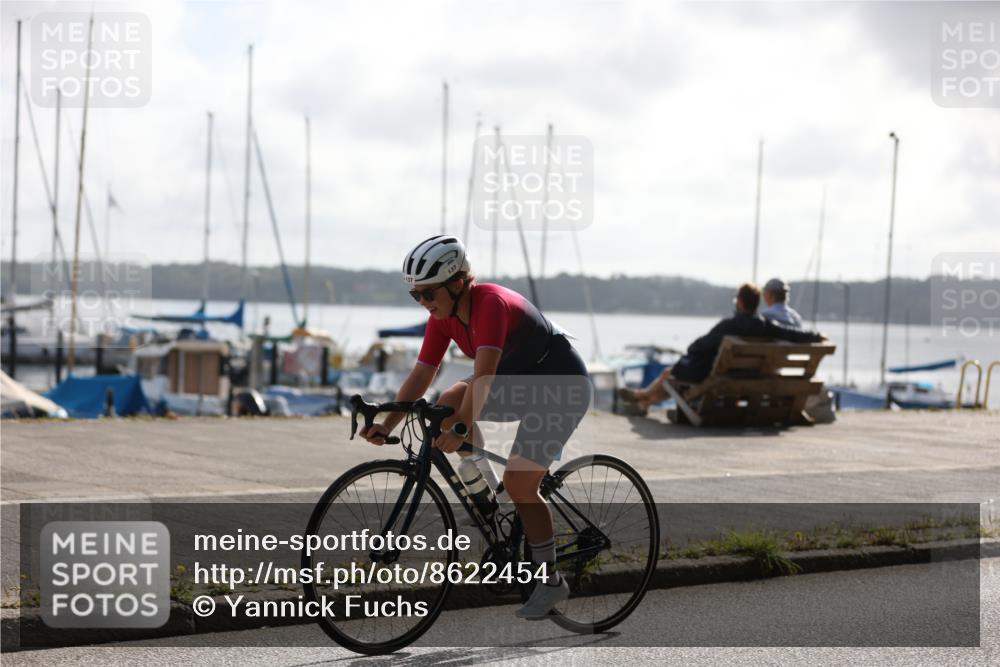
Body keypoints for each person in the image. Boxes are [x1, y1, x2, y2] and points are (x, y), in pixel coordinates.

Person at [360, 235, 591, 618]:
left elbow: (484, 378)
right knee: (449, 398)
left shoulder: (490, 304)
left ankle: (550, 581)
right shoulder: (443, 317)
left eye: (428, 293)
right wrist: (388, 423)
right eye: (416, 295)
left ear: (457, 283)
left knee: (520, 484)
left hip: (560, 388)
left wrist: (460, 430)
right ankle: (485, 494)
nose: (424, 302)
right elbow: (422, 374)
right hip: (519, 382)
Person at [622, 283, 825, 411]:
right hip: (748, 376)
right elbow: (793, 334)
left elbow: (698, 346)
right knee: (672, 375)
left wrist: (692, 349)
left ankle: (642, 396)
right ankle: (644, 402)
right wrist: (816, 336)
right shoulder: (766, 326)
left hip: (718, 378)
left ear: (740, 303)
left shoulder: (728, 326)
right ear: (756, 304)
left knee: (670, 374)